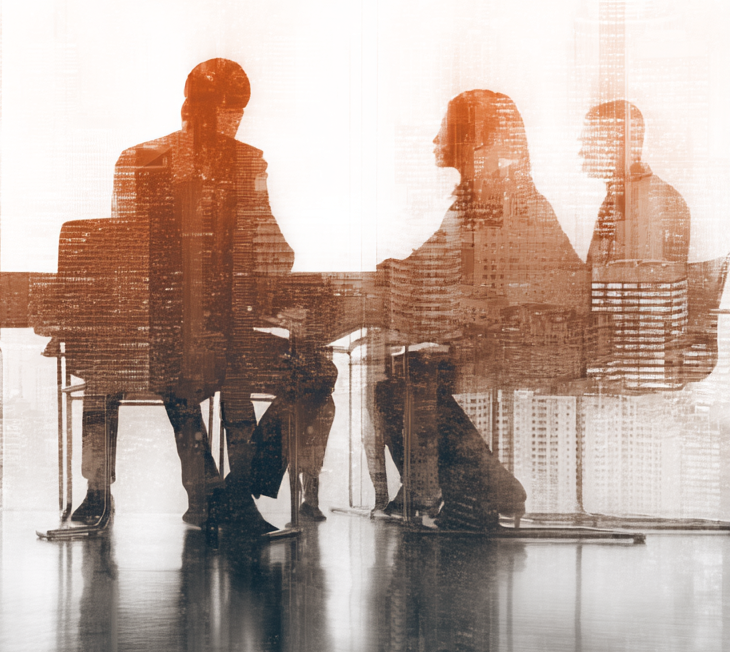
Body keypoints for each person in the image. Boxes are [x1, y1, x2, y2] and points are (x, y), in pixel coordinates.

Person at [73, 57, 325, 534]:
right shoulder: (146, 159)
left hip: (207, 331)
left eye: (233, 114)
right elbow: (125, 249)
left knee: (313, 371)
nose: (225, 125)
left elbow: (273, 250)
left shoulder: (243, 162)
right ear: (188, 109)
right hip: (164, 329)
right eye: (218, 111)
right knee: (167, 362)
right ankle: (201, 493)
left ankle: (230, 490)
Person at [371, 90, 570, 528]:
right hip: (511, 335)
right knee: (400, 380)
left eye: (445, 128)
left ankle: (467, 492)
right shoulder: (485, 195)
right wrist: (395, 271)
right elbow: (433, 261)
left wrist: (393, 278)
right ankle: (485, 488)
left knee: (402, 381)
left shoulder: (500, 198)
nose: (435, 139)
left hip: (529, 341)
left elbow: (492, 285)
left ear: (475, 138)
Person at [581, 100, 690, 267]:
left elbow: (644, 276)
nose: (583, 152)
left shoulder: (658, 201)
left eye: (591, 143)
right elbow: (595, 273)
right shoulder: (616, 197)